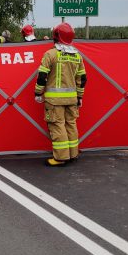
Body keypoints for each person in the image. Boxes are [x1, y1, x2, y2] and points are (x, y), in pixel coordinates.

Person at [34, 22, 87, 167]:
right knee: (71, 125)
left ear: (56, 36)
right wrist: (80, 96)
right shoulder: (77, 56)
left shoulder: (50, 54)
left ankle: (60, 158)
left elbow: (42, 76)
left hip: (54, 101)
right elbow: (82, 79)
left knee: (58, 127)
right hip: (72, 99)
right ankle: (73, 154)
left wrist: (38, 92)